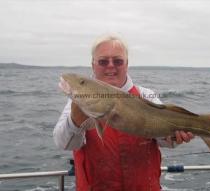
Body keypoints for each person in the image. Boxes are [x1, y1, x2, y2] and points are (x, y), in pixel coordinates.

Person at [54, 34, 194, 191]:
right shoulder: (78, 101)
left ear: (126, 64)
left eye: (118, 61)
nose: (111, 66)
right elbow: (63, 143)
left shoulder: (145, 95)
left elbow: (164, 139)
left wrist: (175, 137)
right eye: (103, 61)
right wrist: (75, 122)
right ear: (93, 65)